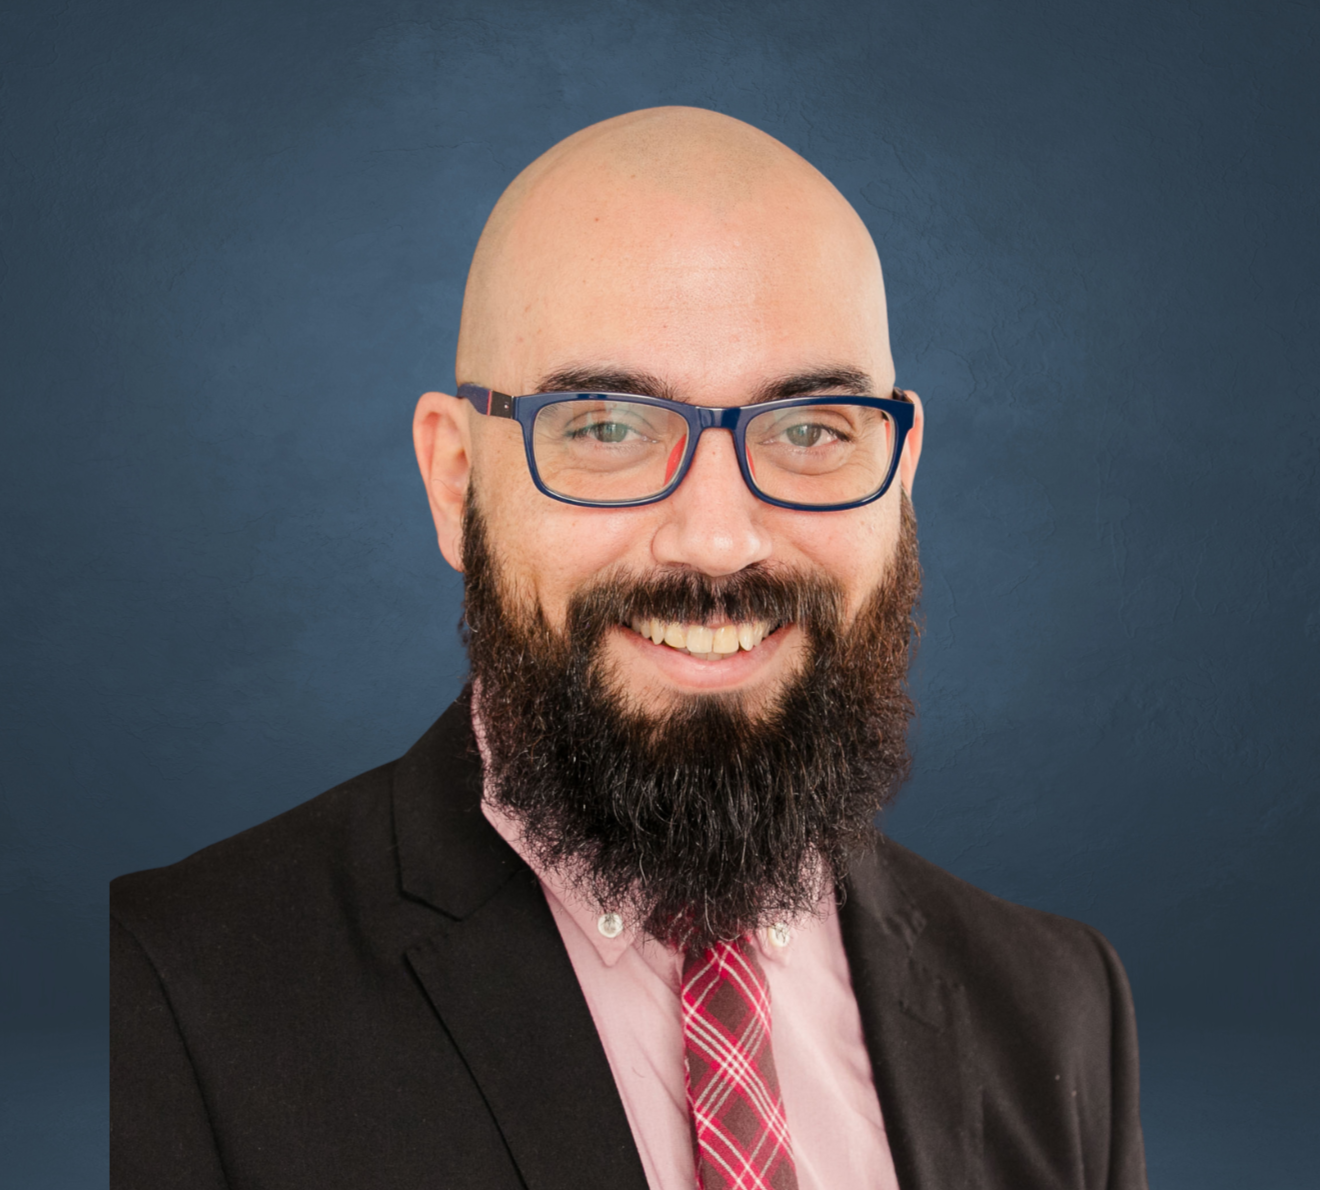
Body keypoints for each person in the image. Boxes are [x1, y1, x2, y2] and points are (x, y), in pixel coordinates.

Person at [111, 107, 1148, 1190]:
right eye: (605, 426)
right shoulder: (163, 997)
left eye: (809, 430)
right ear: (456, 480)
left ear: (901, 471)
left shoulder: (1060, 1007)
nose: (718, 539)